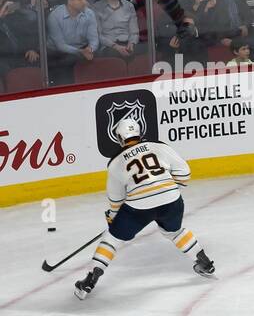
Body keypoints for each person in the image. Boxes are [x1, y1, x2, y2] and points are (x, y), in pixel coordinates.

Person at [74, 116, 215, 300]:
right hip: (172, 200)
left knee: (112, 238)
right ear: (140, 133)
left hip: (139, 207)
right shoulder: (159, 146)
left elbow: (116, 200)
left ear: (119, 138)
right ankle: (203, 261)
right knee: (174, 231)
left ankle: (91, 278)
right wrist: (167, 190)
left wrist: (113, 217)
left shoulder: (116, 163)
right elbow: (185, 173)